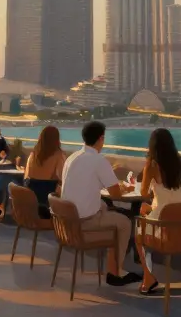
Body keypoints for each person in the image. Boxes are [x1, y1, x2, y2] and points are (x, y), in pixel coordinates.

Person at [60, 121, 141, 286]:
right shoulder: (98, 160)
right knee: (124, 223)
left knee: (105, 207)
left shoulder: (72, 158)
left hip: (67, 223)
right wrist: (126, 188)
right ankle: (115, 272)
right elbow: (116, 194)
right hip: (84, 224)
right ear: (101, 139)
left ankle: (115, 267)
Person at [135, 128, 181, 295]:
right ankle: (148, 276)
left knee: (138, 231)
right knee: (147, 212)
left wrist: (150, 201)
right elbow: (173, 196)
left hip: (164, 224)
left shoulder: (152, 166)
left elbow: (143, 193)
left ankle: (148, 277)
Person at [22, 125, 65, 219]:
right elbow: (63, 177)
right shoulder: (59, 155)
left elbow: (27, 176)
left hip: (31, 202)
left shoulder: (33, 154)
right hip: (48, 202)